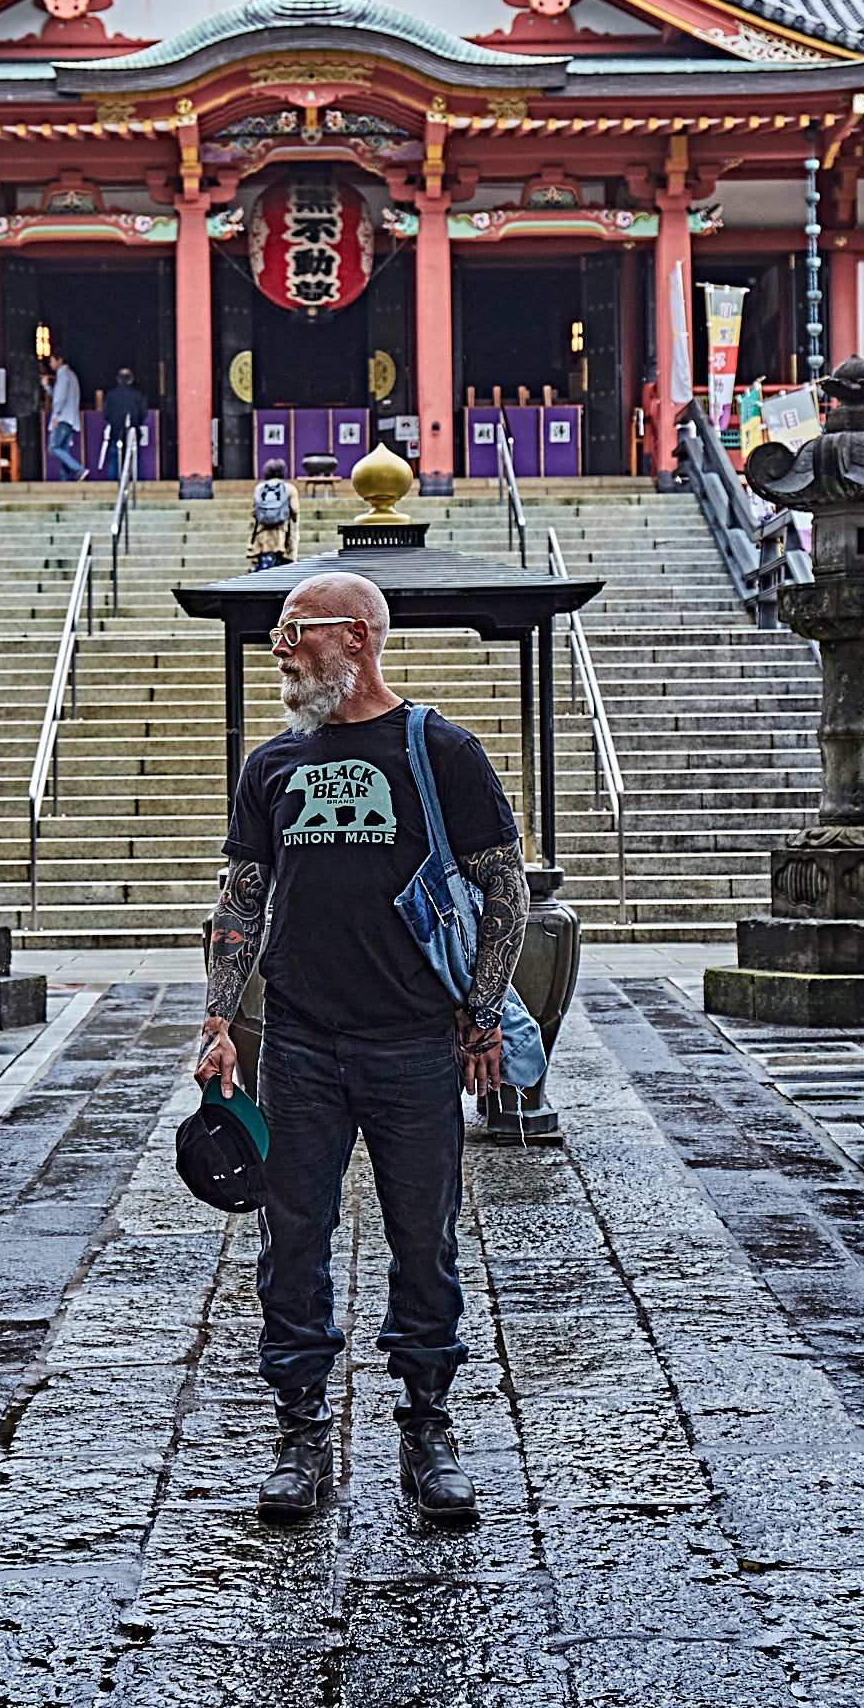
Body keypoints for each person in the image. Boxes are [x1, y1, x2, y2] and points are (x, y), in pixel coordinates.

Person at [196, 571, 529, 1526]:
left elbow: (500, 894)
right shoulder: (270, 764)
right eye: (278, 631)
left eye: (295, 630)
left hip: (415, 1044)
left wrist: (479, 1016)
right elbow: (241, 901)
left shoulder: (441, 751)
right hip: (296, 1042)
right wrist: (219, 1021)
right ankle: (300, 1428)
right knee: (290, 1237)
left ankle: (427, 1423)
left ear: (358, 636)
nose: (279, 646)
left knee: (422, 1237)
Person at [248, 458, 299, 571]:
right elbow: (295, 510)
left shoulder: (260, 489)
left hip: (262, 535)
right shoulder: (290, 489)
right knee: (283, 571)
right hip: (282, 534)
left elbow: (254, 511)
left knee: (263, 571)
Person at [46, 351, 86, 481]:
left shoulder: (63, 375)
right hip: (71, 418)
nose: (50, 363)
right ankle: (64, 479)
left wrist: (56, 415)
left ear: (59, 360)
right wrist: (47, 387)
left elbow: (60, 398)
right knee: (64, 450)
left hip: (62, 417)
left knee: (54, 447)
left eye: (52, 360)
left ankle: (78, 468)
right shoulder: (72, 375)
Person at [103, 366, 148, 481]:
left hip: (116, 431)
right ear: (130, 380)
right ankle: (137, 483)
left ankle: (112, 485)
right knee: (134, 460)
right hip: (133, 430)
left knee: (114, 460)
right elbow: (143, 413)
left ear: (118, 379)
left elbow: (106, 414)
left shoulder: (111, 396)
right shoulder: (137, 395)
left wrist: (114, 422)